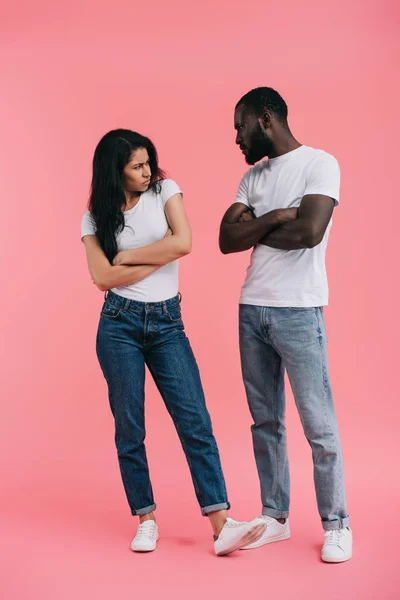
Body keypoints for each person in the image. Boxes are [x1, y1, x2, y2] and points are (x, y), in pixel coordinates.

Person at [81, 129, 266, 556]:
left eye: (149, 162)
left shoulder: (166, 189)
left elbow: (184, 242)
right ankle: (145, 519)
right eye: (137, 166)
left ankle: (221, 526)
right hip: (117, 326)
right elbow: (102, 279)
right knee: (130, 427)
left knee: (195, 420)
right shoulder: (93, 218)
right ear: (116, 172)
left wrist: (126, 256)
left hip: (167, 324)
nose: (148, 171)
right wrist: (154, 253)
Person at [219, 88, 352, 563]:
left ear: (265, 119)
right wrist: (278, 215)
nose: (236, 136)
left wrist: (256, 226)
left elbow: (310, 231)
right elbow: (225, 239)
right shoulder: (251, 177)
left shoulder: (320, 163)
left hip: (299, 309)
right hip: (251, 309)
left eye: (241, 125)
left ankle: (336, 523)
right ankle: (275, 517)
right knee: (265, 421)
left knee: (318, 423)